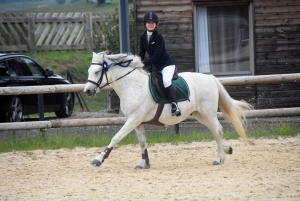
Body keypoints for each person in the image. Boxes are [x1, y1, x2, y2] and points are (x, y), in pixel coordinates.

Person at [139, 12, 181, 116]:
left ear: (156, 24)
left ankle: (175, 105)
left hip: (167, 65)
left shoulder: (159, 37)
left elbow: (157, 55)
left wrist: (145, 63)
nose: (151, 24)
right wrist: (137, 63)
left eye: (153, 22)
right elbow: (141, 53)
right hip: (156, 66)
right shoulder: (143, 37)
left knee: (166, 81)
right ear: (145, 24)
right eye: (148, 22)